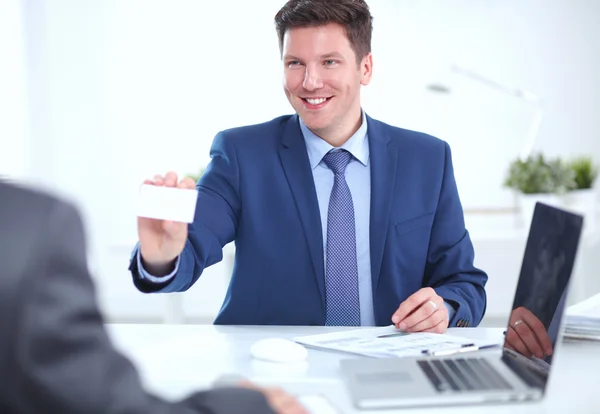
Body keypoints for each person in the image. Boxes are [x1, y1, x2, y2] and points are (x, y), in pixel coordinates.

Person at [130, 0, 488, 331]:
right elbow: (192, 245)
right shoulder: (242, 154)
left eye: (329, 62)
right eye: (295, 63)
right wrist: (161, 259)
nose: (309, 82)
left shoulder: (427, 160)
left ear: (366, 68)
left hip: (390, 366)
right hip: (273, 374)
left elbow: (464, 283)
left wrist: (447, 308)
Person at [0, 180, 307, 414]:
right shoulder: (28, 223)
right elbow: (196, 239)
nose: (309, 90)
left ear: (359, 90)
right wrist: (161, 260)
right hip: (281, 373)